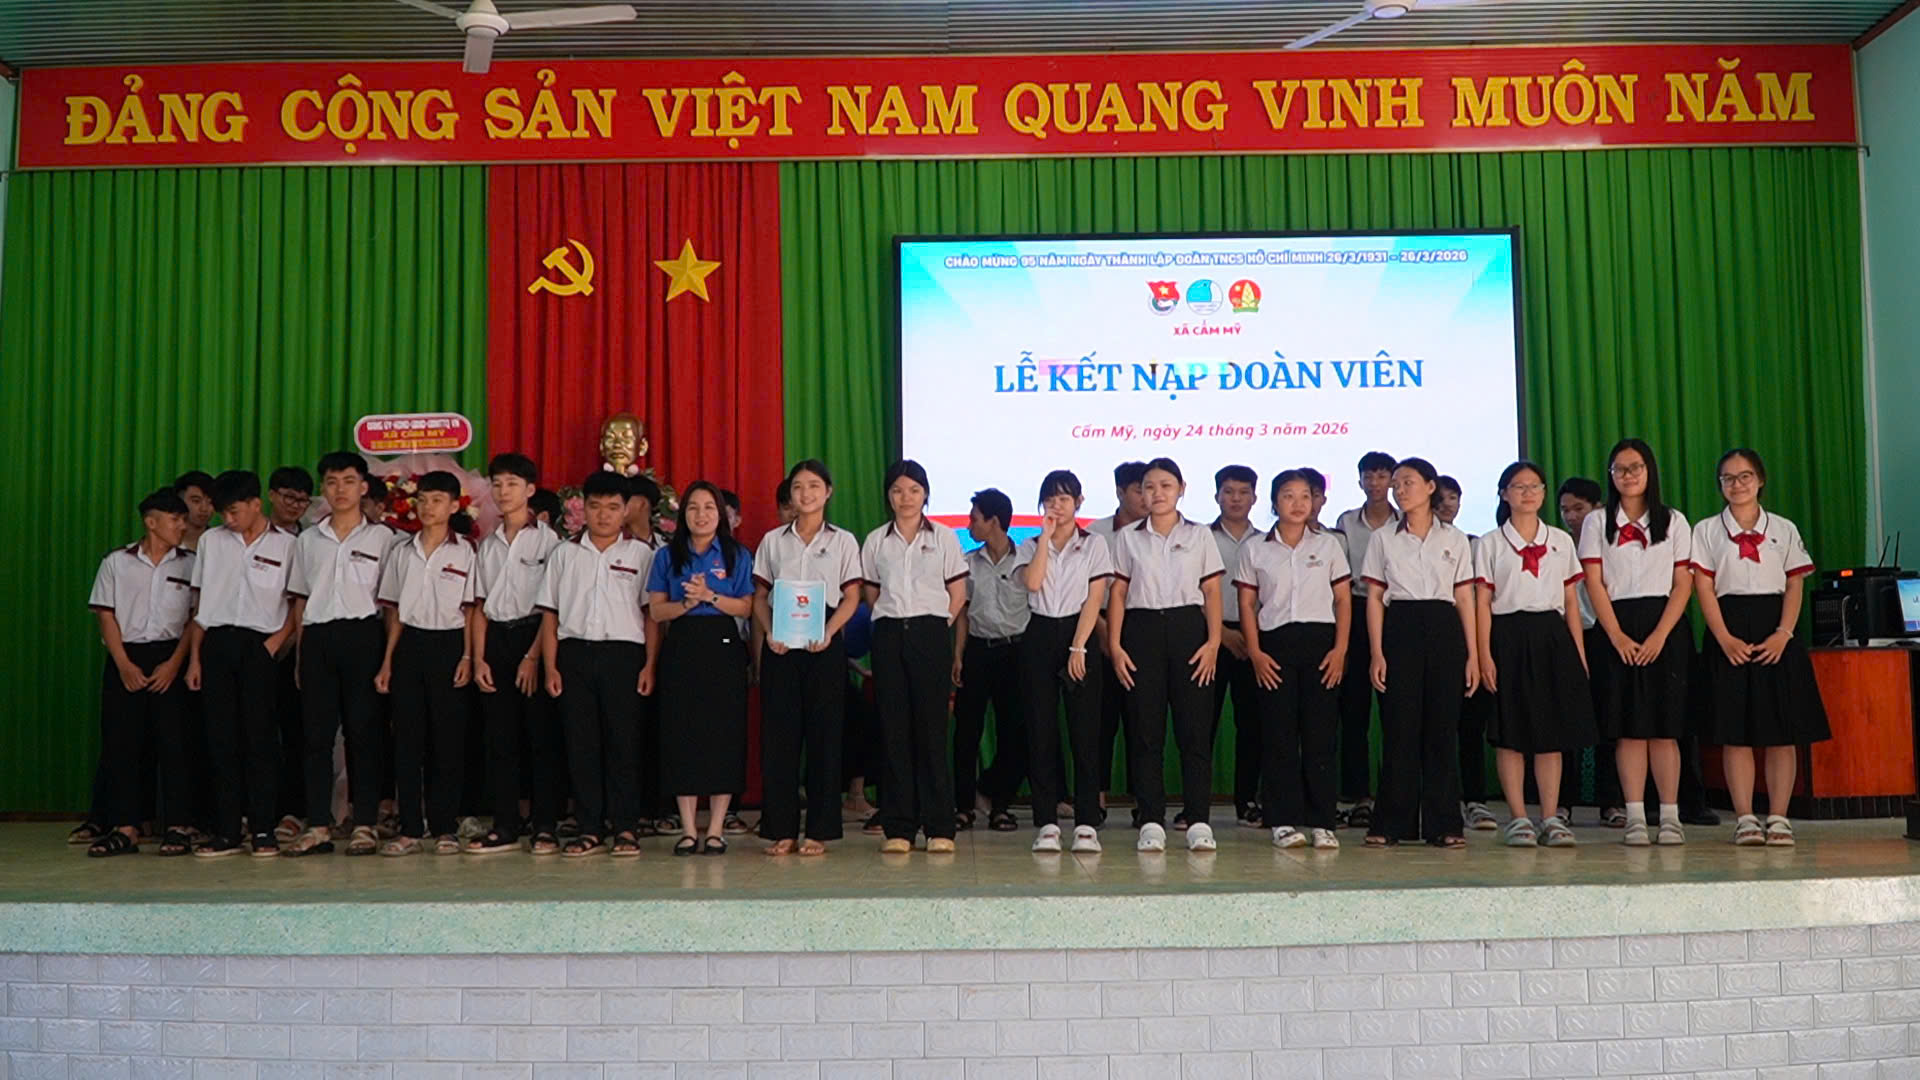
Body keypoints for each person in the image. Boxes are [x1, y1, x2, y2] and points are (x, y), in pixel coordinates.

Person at [1691, 449, 1830, 847]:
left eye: (1745, 476)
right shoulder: (1706, 531)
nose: (1737, 485)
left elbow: (1795, 583)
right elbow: (1703, 587)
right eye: (1728, 478)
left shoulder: (1783, 528)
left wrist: (1784, 633)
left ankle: (1779, 817)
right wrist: (1723, 638)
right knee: (1735, 731)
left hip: (1776, 629)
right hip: (1728, 629)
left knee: (1780, 730)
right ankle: (1745, 818)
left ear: (1760, 479)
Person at [1578, 439, 1695, 847]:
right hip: (1617, 625)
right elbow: (1593, 582)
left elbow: (1683, 583)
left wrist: (1660, 635)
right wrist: (1616, 636)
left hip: (1665, 626)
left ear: (1650, 471)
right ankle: (1634, 817)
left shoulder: (1674, 520)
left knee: (1664, 729)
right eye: (1619, 469)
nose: (1628, 475)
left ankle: (1670, 817)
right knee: (1628, 729)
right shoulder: (1596, 522)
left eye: (1636, 467)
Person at [1474, 461, 1596, 849]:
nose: (1527, 493)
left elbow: (1571, 602)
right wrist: (1484, 655)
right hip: (1507, 636)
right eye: (1518, 486)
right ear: (1503, 494)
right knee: (1510, 733)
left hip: (1551, 637)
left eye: (1535, 487)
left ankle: (1551, 816)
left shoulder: (1560, 541)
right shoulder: (1490, 543)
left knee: (1550, 734)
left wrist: (1578, 654)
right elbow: (1482, 603)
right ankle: (1518, 818)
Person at [1108, 457, 1226, 853]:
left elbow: (1211, 591)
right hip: (1141, 632)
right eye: (1149, 487)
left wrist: (1213, 642)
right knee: (1146, 734)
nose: (1157, 493)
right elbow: (1119, 593)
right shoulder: (1127, 538)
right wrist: (1115, 645)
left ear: (1181, 489)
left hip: (1189, 631)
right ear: (1140, 493)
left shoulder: (1199, 535)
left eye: (1166, 485)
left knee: (1194, 733)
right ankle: (1151, 821)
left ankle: (1199, 821)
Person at [536, 471, 658, 857]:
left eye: (612, 507)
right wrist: (550, 667)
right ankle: (589, 828)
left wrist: (649, 665)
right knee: (581, 744)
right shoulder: (564, 554)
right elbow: (551, 615)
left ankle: (626, 827)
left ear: (626, 510)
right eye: (595, 506)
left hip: (625, 656)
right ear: (582, 508)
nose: (603, 515)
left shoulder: (642, 555)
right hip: (574, 655)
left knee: (624, 744)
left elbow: (651, 616)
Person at [281, 452, 394, 857]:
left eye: (348, 481)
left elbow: (392, 606)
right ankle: (318, 825)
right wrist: (300, 653)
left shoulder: (385, 539)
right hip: (317, 638)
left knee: (364, 734)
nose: (340, 489)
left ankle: (364, 823)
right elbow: (300, 599)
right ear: (323, 490)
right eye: (331, 482)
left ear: (363, 487)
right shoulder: (308, 540)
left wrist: (388, 659)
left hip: (364, 636)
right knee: (316, 736)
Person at [1360, 457, 1477, 849]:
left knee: (1442, 728)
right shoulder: (1383, 538)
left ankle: (1444, 823)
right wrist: (1377, 652)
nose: (1399, 490)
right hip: (1401, 625)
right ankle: (1393, 823)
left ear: (1430, 487)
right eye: (1396, 484)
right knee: (1399, 728)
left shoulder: (1455, 539)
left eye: (1408, 482)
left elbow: (1465, 597)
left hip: (1444, 627)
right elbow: (1374, 597)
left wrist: (1473, 655)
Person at [1236, 470, 1351, 851]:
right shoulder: (1255, 548)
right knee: (1278, 735)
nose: (1298, 503)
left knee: (1321, 736)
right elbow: (1247, 604)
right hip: (1274, 645)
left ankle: (1322, 820)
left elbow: (1343, 600)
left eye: (1305, 495)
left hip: (1321, 645)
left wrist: (1340, 650)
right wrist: (1255, 653)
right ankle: (1282, 820)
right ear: (1274, 502)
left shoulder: (1329, 545)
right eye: (1288, 495)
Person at [753, 460, 863, 856]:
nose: (806, 494)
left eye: (814, 486)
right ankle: (780, 829)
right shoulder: (773, 541)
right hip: (781, 648)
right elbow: (760, 596)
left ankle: (819, 830)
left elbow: (851, 597)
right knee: (779, 741)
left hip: (823, 646)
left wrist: (829, 631)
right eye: (798, 487)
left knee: (824, 740)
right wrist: (770, 632)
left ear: (828, 492)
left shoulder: (843, 541)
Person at [186, 470, 297, 857]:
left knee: (260, 739)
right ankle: (228, 830)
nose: (228, 520)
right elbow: (200, 604)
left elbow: (297, 603)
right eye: (223, 514)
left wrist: (274, 645)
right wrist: (195, 658)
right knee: (221, 740)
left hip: (259, 645)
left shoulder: (288, 545)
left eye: (234, 511)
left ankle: (263, 828)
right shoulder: (211, 542)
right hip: (216, 642)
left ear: (255, 504)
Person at [863, 460, 969, 855]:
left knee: (931, 731)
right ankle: (899, 828)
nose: (905, 498)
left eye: (913, 490)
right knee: (894, 731)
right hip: (889, 634)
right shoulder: (876, 540)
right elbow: (872, 594)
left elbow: (958, 594)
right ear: (888, 496)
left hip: (931, 633)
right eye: (897, 490)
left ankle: (939, 825)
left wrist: (935, 627)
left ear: (925, 494)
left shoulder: (944, 537)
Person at [83, 489, 196, 857]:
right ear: (151, 522)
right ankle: (125, 827)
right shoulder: (117, 562)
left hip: (171, 656)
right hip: (126, 655)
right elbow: (106, 614)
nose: (182, 526)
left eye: (183, 519)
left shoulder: (191, 564)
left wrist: (175, 663)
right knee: (123, 743)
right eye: (174, 519)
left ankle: (178, 825)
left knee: (176, 743)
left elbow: (196, 618)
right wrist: (123, 664)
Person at [373, 471, 478, 857]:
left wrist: (468, 656)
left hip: (450, 645)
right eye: (423, 500)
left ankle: (445, 827)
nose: (428, 507)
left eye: (437, 501)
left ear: (453, 506)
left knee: (447, 741)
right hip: (409, 646)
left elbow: (471, 610)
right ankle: (410, 829)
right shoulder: (402, 552)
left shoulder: (467, 551)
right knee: (407, 740)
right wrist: (388, 662)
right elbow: (394, 613)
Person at [647, 481, 755, 856]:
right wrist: (687, 604)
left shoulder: (736, 554)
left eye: (709, 507)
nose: (701, 515)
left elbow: (746, 607)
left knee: (723, 734)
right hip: (681, 644)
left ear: (721, 514)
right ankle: (689, 829)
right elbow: (656, 610)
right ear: (683, 514)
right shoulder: (667, 556)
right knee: (683, 734)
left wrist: (709, 596)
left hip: (723, 645)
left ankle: (717, 828)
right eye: (693, 507)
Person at [468, 453, 565, 856]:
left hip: (534, 639)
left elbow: (552, 609)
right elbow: (478, 605)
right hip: (496, 640)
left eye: (512, 484)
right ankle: (505, 823)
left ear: (530, 490)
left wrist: (534, 658)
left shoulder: (550, 542)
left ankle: (545, 825)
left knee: (541, 738)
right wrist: (478, 659)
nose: (503, 491)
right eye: (497, 484)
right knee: (500, 738)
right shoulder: (486, 545)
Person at [1016, 470, 1114, 854]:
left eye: (1064, 499)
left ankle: (1087, 822)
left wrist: (1079, 647)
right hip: (1039, 633)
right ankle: (1047, 823)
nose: (1057, 506)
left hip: (1079, 632)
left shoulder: (1094, 544)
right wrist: (1044, 538)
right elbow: (1033, 583)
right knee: (1040, 731)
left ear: (1079, 502)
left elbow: (1094, 598)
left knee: (1085, 732)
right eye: (1050, 499)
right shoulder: (1029, 545)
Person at [952, 488, 1030, 833]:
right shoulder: (968, 563)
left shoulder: (1026, 561)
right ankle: (963, 806)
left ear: (994, 521)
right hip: (977, 650)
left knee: (1014, 732)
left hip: (1016, 651)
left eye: (974, 519)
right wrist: (957, 655)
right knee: (966, 731)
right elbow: (963, 614)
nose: (969, 525)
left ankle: (999, 805)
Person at [1333, 451, 1399, 832]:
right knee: (1354, 712)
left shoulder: (1404, 522)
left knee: (1396, 712)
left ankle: (1394, 794)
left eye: (1382, 476)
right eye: (1368, 476)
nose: (1375, 483)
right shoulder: (1345, 523)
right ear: (1359, 481)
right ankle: (1358, 796)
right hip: (1356, 610)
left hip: (1396, 612)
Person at [1558, 477, 1623, 827]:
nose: (1571, 517)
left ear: (1598, 508)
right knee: (1566, 721)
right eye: (1565, 510)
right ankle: (1562, 803)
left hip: (1606, 636)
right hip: (1569, 637)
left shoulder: (1614, 544)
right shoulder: (1557, 546)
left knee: (1609, 720)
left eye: (1578, 509)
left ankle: (1611, 802)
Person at [1088, 461, 1150, 822]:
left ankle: (1144, 800)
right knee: (1101, 721)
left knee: (1142, 721)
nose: (1146, 497)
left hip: (1142, 632)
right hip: (1097, 631)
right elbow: (1082, 590)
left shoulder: (1159, 532)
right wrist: (1102, 633)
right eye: (1139, 490)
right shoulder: (1094, 534)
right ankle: (1096, 799)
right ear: (1120, 492)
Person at [1210, 465, 1264, 829]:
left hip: (1254, 639)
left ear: (1255, 498)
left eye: (1243, 492)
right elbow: (1192, 591)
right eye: (1228, 492)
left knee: (1252, 725)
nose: (1235, 499)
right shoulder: (1201, 538)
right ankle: (1194, 805)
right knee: (1201, 724)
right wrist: (1222, 634)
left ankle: (1246, 801)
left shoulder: (1265, 541)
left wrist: (1249, 636)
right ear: (1216, 496)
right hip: (1210, 638)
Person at [174, 470, 216, 552]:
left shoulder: (220, 543)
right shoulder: (165, 544)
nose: (204, 508)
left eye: (210, 502)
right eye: (196, 501)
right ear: (179, 501)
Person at [268, 467, 314, 535]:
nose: (295, 505)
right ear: (271, 495)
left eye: (302, 500)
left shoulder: (309, 537)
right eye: (290, 497)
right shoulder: (256, 533)